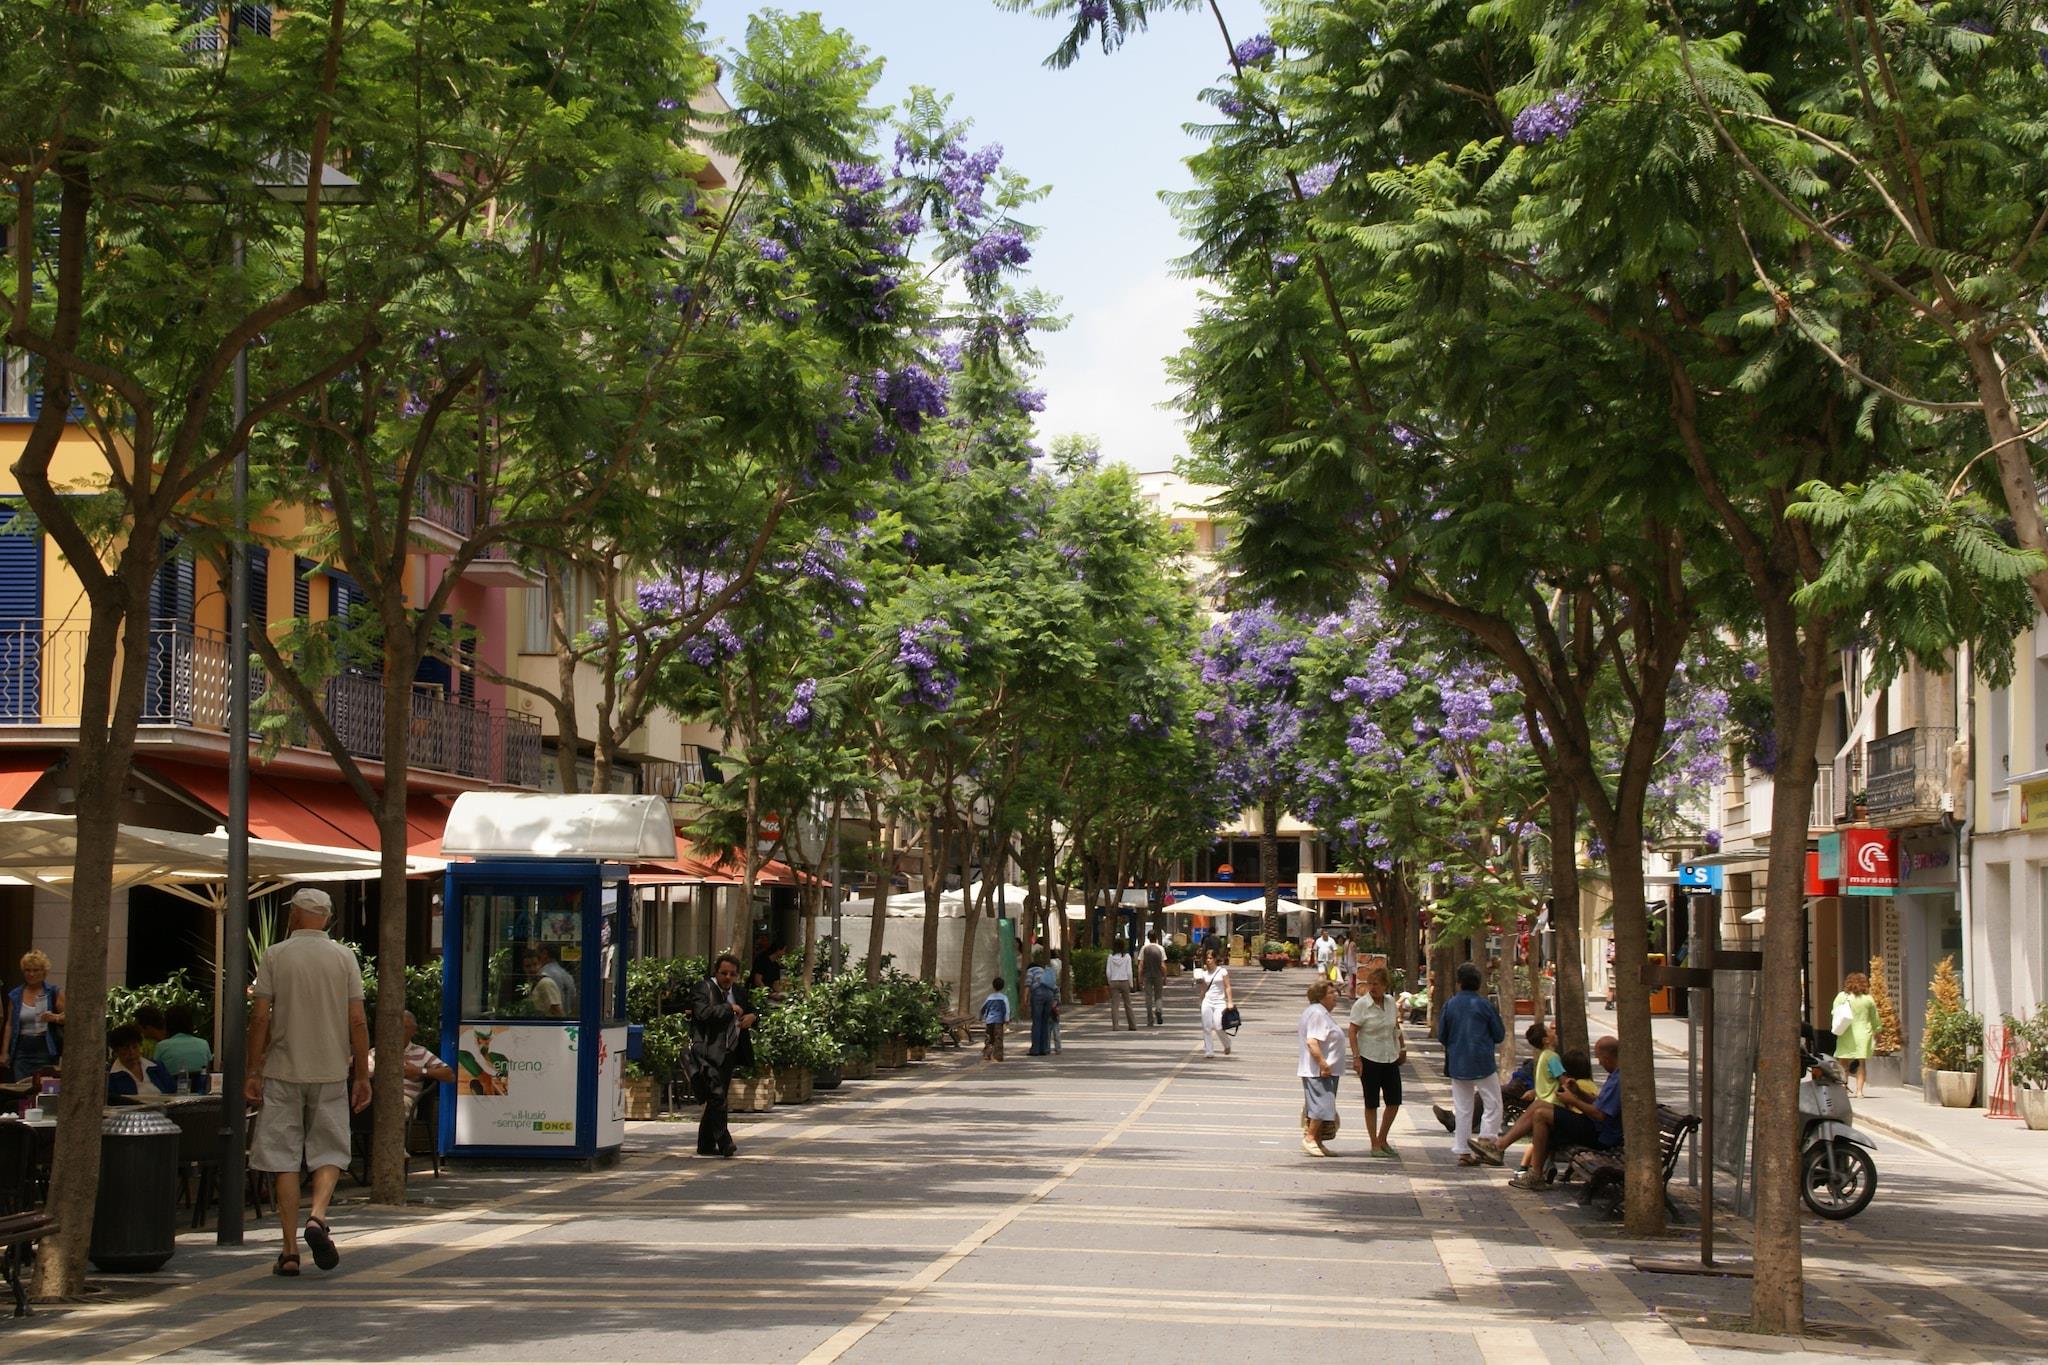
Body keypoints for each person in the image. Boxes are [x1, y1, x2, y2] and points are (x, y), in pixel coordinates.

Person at [245, 887, 372, 1278]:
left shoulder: (275, 955)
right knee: (330, 1149)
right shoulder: (344, 957)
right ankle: (317, 1216)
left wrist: (253, 1070)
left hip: (283, 1069)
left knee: (282, 1157)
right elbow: (357, 1020)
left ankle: (288, 1251)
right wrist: (362, 1074)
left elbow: (260, 1017)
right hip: (331, 1069)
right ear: (327, 918)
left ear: (295, 915)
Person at [1510, 1035, 1624, 1189]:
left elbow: (1600, 1114)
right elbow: (1599, 1103)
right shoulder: (1615, 1076)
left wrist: (1573, 1101)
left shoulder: (1618, 1079)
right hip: (1594, 1126)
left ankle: (1535, 1174)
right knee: (1540, 1106)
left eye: (1599, 1058)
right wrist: (1578, 1093)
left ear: (1607, 1057)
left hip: (1600, 1134)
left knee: (1541, 1115)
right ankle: (1503, 1147)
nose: (1599, 1063)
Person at [687, 953, 757, 1157]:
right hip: (706, 1051)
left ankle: (705, 1144)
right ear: (716, 972)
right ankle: (725, 1141)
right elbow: (702, 1014)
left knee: (717, 1098)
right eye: (724, 973)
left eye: (732, 974)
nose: (728, 978)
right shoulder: (703, 988)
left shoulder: (739, 991)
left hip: (729, 1053)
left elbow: (752, 1010)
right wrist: (729, 1008)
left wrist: (752, 1017)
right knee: (717, 1096)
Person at [1438, 962, 1506, 1167]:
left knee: (1463, 1108)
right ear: (1479, 983)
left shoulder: (1450, 1004)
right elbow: (1499, 1034)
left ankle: (1463, 1152)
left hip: (1458, 1062)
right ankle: (1486, 1141)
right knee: (1493, 1103)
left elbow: (1442, 1035)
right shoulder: (1484, 1005)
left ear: (1458, 982)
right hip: (1482, 1061)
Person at [1348, 965, 1406, 1157]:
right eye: (1371, 983)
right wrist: (1356, 1057)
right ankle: (1374, 1143)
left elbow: (1395, 1026)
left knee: (1394, 1101)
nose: (1373, 987)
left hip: (1390, 1056)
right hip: (1369, 1057)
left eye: (1377, 984)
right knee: (1371, 1102)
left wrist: (1402, 1047)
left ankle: (1383, 1138)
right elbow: (1353, 1031)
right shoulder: (1362, 1005)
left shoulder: (1390, 1002)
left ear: (1385, 986)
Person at [372, 1009, 455, 1113]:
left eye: (403, 1027)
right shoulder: (377, 1051)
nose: (397, 1031)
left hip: (403, 1099)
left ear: (413, 1030)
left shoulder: (421, 1052)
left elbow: (449, 1075)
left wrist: (419, 1071)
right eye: (394, 1026)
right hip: (376, 1097)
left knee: (391, 1104)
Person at [1299, 980, 1346, 1157]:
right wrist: (1323, 1064)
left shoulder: (1321, 1013)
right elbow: (1312, 1042)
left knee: (1323, 1104)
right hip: (1319, 1070)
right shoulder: (1317, 1013)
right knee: (1321, 1105)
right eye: (1331, 993)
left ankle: (1318, 1141)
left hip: (1327, 1069)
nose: (1335, 996)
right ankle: (1310, 1138)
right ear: (1320, 997)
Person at [1, 949, 64, 1082]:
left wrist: (55, 1017)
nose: (31, 974)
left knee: (43, 1086)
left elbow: (69, 1017)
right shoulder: (15, 995)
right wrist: (4, 1052)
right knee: (22, 1086)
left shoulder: (53, 992)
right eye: (27, 970)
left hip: (45, 1048)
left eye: (36, 970)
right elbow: (10, 1024)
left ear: (44, 972)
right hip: (21, 1049)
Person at [1831, 972, 1880, 1098]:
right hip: (1863, 1034)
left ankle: (1844, 1088)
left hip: (1846, 1032)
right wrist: (1878, 1030)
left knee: (1843, 1062)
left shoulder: (1842, 997)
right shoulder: (1868, 999)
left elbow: (1834, 1012)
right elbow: (1875, 1018)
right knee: (1861, 1063)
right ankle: (1859, 1091)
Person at [106, 1023, 173, 1101]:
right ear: (116, 1052)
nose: (131, 1052)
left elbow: (172, 1092)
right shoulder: (110, 1077)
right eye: (125, 1049)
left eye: (135, 1047)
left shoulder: (156, 1068)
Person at [153, 1003, 214, 1085]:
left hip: (171, 1089)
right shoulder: (203, 1044)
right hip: (200, 1089)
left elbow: (155, 1071)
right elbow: (207, 1070)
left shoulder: (162, 1046)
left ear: (167, 1024)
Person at [1194, 945, 1234, 1058]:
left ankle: (1227, 1043)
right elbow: (1203, 989)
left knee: (1218, 1025)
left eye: (1211, 958)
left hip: (1220, 1002)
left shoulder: (1222, 971)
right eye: (1207, 958)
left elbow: (1227, 987)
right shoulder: (1204, 973)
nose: (1208, 960)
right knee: (1206, 1026)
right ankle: (1209, 1050)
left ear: (1215, 959)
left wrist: (1230, 1001)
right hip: (1207, 1001)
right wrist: (1200, 1001)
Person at [1024, 947, 1058, 1056]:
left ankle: (1035, 1050)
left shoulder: (1030, 971)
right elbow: (1055, 987)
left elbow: (1027, 985)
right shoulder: (1044, 972)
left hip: (1038, 995)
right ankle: (1045, 1049)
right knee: (1045, 1022)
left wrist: (1025, 999)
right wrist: (1055, 1001)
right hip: (1049, 995)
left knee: (1037, 1022)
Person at [532, 943, 578, 1016]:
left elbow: (555, 1008)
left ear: (544, 954)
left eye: (537, 954)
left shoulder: (544, 975)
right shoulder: (567, 975)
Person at [1105, 938, 1136, 1030]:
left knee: (1115, 1004)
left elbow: (1108, 972)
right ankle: (1132, 1025)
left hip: (1114, 981)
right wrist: (1131, 984)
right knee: (1128, 1004)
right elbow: (1129, 972)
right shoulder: (1127, 957)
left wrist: (1110, 982)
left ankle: (1115, 1026)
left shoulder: (1110, 957)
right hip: (1124, 981)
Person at [1139, 929, 1168, 1026]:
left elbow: (1141, 964)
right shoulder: (1160, 948)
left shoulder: (1144, 948)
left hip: (1147, 975)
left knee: (1148, 997)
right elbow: (1163, 965)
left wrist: (1140, 977)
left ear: (1148, 938)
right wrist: (1165, 976)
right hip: (1158, 975)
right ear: (1156, 938)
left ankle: (1150, 1019)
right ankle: (1158, 1009)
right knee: (1158, 995)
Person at [980, 977, 1010, 1061]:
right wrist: (1007, 1019)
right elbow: (1007, 1009)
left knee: (989, 1038)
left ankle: (987, 1054)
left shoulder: (989, 997)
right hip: (999, 1021)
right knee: (998, 1038)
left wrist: (981, 1016)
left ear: (993, 986)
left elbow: (983, 1007)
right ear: (1003, 986)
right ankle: (998, 1056)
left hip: (989, 1020)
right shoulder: (1004, 998)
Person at [1046, 950, 1066, 1054]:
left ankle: (1049, 1048)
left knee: (1050, 1031)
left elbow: (1056, 998)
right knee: (1055, 1030)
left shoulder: (1047, 987)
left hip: (1051, 1011)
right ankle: (1057, 1048)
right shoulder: (1055, 987)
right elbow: (1058, 999)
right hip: (1055, 1011)